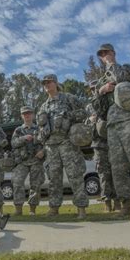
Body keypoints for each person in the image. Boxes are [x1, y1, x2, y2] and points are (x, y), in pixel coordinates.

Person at [94, 43, 130, 221]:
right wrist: (101, 91)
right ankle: (125, 204)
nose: (104, 56)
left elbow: (121, 78)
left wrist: (111, 65)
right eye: (102, 54)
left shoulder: (125, 68)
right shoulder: (101, 81)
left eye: (107, 52)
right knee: (117, 165)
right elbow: (98, 109)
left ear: (113, 53)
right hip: (112, 125)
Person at [37, 74, 89, 218]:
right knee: (54, 178)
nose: (46, 85)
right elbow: (40, 128)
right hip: (51, 146)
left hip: (68, 143)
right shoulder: (43, 106)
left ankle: (81, 208)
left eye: (49, 82)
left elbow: (83, 113)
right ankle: (54, 208)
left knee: (75, 175)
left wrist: (68, 115)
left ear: (56, 83)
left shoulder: (68, 98)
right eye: (44, 83)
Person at [85, 80, 119, 212]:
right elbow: (84, 125)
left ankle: (118, 201)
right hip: (98, 143)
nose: (94, 90)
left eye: (95, 87)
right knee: (103, 174)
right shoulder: (89, 106)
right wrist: (90, 120)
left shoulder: (110, 100)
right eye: (91, 88)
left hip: (113, 140)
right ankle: (107, 202)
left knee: (116, 171)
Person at [11, 106, 45, 215]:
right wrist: (23, 138)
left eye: (29, 113)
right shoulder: (18, 130)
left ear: (33, 115)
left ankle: (32, 210)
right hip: (22, 161)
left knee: (35, 185)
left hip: (36, 160)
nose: (27, 115)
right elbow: (13, 143)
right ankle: (18, 209)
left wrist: (43, 152)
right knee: (17, 182)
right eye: (25, 114)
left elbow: (47, 143)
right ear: (22, 116)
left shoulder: (39, 128)